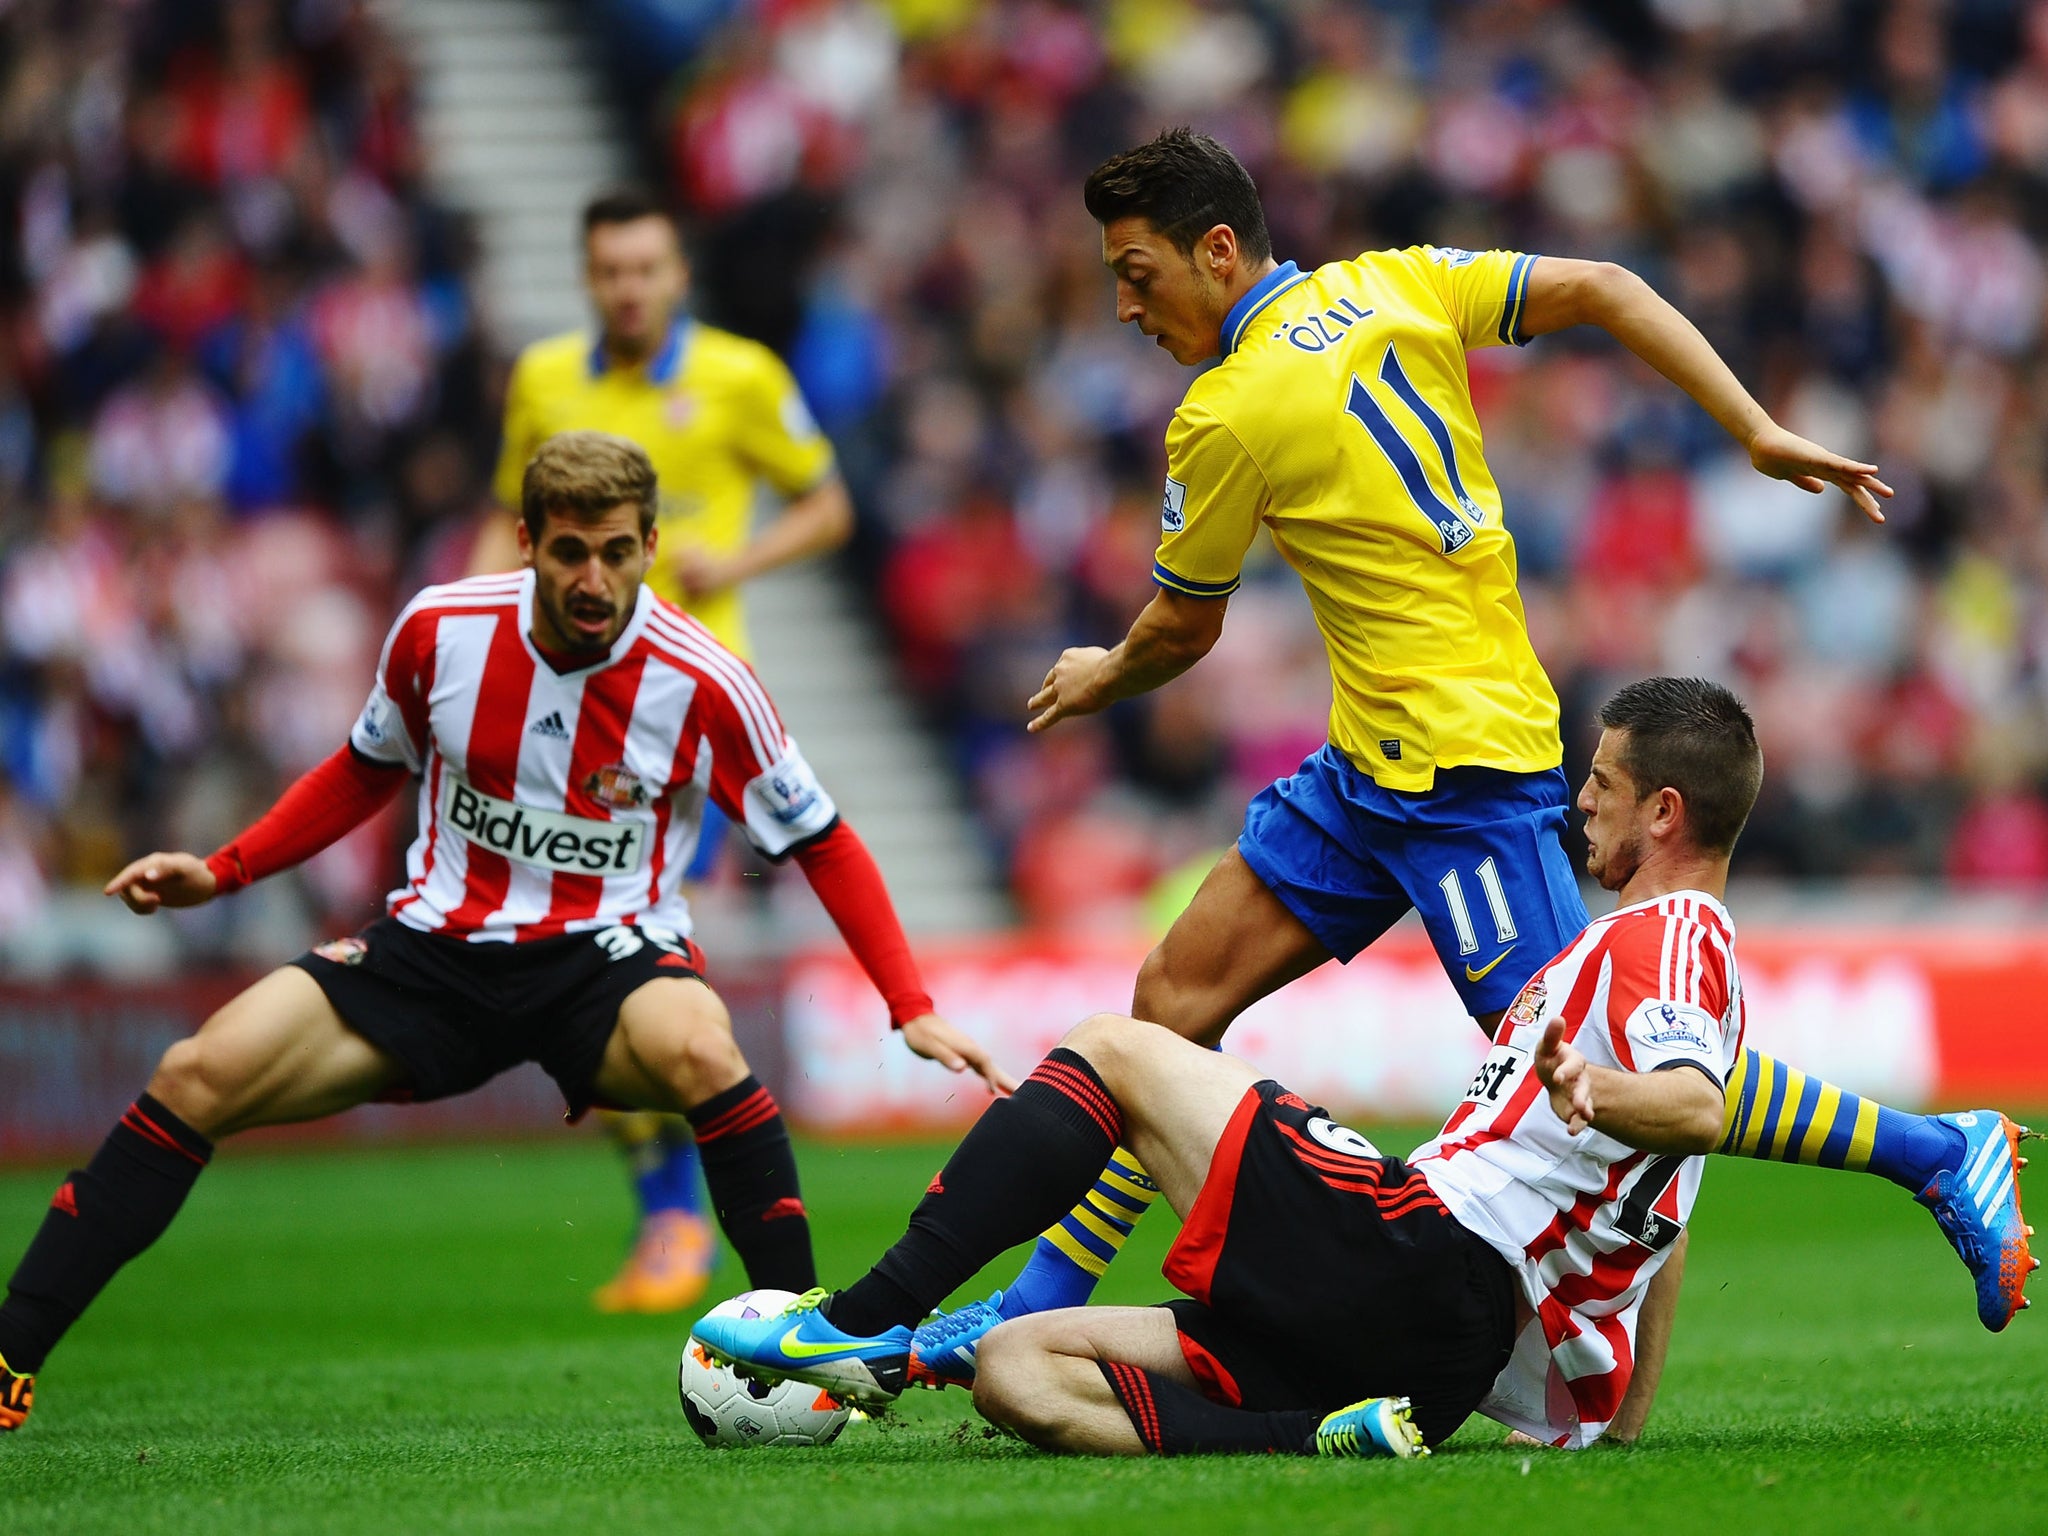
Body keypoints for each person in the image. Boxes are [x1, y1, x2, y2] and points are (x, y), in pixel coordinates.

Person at [967, 128, 2020, 1345]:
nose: (1120, 307)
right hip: (1369, 767)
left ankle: (1938, 1149)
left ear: (1216, 251)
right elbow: (1607, 287)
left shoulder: (1223, 413)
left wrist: (1100, 673)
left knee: (1602, 1077)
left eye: (1137, 274)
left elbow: (1177, 631)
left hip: (1469, 775)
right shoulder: (1392, 280)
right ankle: (1038, 1299)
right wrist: (1749, 426)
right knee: (1171, 993)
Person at [694, 679, 2037, 1458]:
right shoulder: (1682, 977)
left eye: (1603, 784)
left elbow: (1683, 1109)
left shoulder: (1663, 938)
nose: (1580, 802)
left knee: (1127, 1045)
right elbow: (1677, 1189)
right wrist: (1612, 1423)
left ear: (1663, 814)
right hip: (1430, 1362)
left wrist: (1598, 1094)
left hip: (1415, 1251)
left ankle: (857, 1320)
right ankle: (1334, 1431)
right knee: (1019, 1373)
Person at [0, 432, 1004, 1434]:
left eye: (617, 550)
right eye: (570, 550)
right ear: (525, 542)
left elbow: (822, 841)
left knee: (703, 1049)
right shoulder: (441, 631)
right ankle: (11, 1355)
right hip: (432, 950)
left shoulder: (704, 680)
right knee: (194, 1073)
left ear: (652, 543)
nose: (593, 577)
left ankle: (807, 1363)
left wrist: (906, 1006)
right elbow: (362, 768)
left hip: (606, 957)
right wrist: (222, 869)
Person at [473, 186, 858, 1314]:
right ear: (588, 277)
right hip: (563, 708)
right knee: (582, 975)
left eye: (645, 269)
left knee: (614, 966)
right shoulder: (545, 380)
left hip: (681, 718)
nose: (627, 289)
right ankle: (674, 1213)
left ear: (677, 273)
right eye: (608, 272)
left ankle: (676, 1221)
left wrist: (734, 565)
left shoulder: (739, 378)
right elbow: (512, 522)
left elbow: (827, 505)